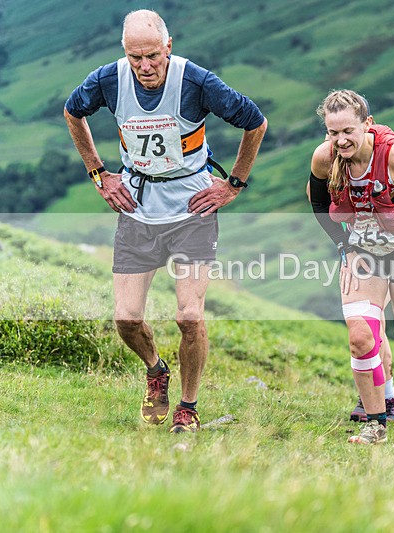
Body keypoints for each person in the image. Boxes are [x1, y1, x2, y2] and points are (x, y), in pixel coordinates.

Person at [63, 9, 267, 433]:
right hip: (138, 209)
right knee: (126, 318)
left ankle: (188, 408)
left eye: (153, 55)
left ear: (168, 47)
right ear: (125, 52)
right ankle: (156, 370)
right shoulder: (108, 79)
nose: (145, 66)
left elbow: (255, 122)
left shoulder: (197, 82)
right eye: (135, 57)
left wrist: (233, 185)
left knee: (189, 316)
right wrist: (99, 173)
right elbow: (72, 112)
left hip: (192, 209)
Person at [309, 89, 394, 444]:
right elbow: (318, 204)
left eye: (348, 131)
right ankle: (376, 424)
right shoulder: (324, 159)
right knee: (360, 338)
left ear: (367, 124)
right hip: (362, 255)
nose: (341, 140)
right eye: (333, 132)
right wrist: (344, 246)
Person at [305, 181, 394, 422]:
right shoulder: (333, 166)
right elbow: (313, 193)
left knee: (373, 323)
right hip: (358, 253)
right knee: (369, 324)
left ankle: (384, 397)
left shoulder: (390, 164)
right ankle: (384, 396)